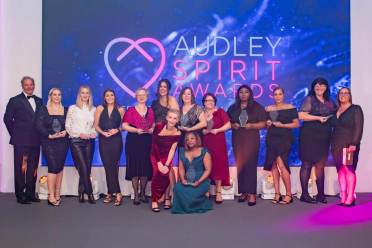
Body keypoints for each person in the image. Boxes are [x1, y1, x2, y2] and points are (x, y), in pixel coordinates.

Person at [3, 76, 43, 204]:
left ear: (34, 85)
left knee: (33, 168)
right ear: (22, 85)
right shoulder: (15, 100)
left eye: (31, 84)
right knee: (21, 168)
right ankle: (20, 195)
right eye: (26, 85)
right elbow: (7, 119)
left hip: (36, 140)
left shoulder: (39, 100)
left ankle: (31, 193)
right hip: (21, 141)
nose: (29, 87)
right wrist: (15, 134)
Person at [298, 77, 336, 204]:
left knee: (320, 165)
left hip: (324, 137)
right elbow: (301, 115)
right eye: (317, 86)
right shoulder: (309, 99)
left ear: (326, 87)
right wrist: (317, 118)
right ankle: (304, 194)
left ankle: (320, 194)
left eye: (322, 85)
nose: (319, 87)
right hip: (309, 135)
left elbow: (335, 116)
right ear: (313, 88)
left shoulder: (330, 101)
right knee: (307, 164)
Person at [227, 85, 266, 206]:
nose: (243, 94)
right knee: (241, 165)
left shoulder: (257, 107)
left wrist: (253, 126)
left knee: (250, 165)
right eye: (241, 92)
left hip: (251, 139)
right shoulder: (233, 107)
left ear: (250, 94)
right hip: (237, 138)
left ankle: (252, 194)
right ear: (238, 94)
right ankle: (243, 191)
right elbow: (228, 122)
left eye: (246, 92)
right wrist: (233, 126)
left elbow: (264, 123)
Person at [264, 87, 299, 205]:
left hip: (284, 139)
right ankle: (277, 193)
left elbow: (296, 124)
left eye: (280, 94)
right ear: (273, 96)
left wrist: (282, 125)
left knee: (282, 164)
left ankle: (288, 194)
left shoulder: (290, 108)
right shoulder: (269, 109)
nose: (277, 96)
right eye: (275, 94)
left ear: (283, 95)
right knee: (273, 164)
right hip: (271, 138)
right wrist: (268, 124)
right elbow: (266, 125)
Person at [35, 88, 69, 206]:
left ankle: (58, 193)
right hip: (48, 142)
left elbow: (70, 125)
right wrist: (49, 135)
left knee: (59, 168)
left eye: (59, 95)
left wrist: (66, 132)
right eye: (54, 95)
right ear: (50, 96)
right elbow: (38, 125)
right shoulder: (43, 109)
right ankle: (51, 195)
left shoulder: (66, 110)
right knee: (53, 167)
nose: (57, 97)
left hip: (63, 142)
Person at [331, 87, 363, 207]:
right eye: (341, 93)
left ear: (350, 95)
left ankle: (351, 196)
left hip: (348, 144)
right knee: (340, 170)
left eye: (346, 93)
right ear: (338, 96)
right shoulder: (336, 110)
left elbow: (359, 127)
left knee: (349, 169)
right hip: (336, 144)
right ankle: (343, 196)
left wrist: (354, 143)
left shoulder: (355, 109)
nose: (343, 95)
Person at [122, 88, 155, 205]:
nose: (141, 97)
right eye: (139, 95)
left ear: (147, 96)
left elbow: (153, 124)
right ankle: (136, 194)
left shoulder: (151, 110)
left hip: (147, 141)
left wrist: (152, 129)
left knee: (145, 168)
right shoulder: (130, 110)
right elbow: (124, 126)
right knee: (135, 168)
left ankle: (143, 194)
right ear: (136, 97)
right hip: (134, 141)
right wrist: (136, 130)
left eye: (143, 95)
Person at [65, 86, 97, 204]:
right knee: (82, 166)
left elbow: (95, 126)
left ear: (89, 95)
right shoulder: (73, 108)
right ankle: (90, 193)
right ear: (79, 94)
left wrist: (94, 133)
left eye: (87, 93)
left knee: (86, 167)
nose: (85, 95)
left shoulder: (93, 109)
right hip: (76, 140)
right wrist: (79, 134)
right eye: (82, 93)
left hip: (89, 141)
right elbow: (68, 126)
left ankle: (81, 191)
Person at [150, 79, 179, 205]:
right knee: (158, 168)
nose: (162, 89)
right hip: (158, 135)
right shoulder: (154, 103)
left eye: (165, 87)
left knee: (169, 166)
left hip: (170, 136)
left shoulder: (171, 100)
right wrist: (152, 127)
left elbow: (176, 115)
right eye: (161, 86)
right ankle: (161, 195)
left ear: (168, 89)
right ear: (158, 88)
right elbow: (152, 119)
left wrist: (170, 127)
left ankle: (170, 196)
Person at [94, 89, 125, 206]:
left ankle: (113, 193)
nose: (110, 97)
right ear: (104, 97)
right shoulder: (99, 108)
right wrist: (103, 133)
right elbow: (95, 125)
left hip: (116, 140)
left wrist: (116, 130)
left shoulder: (121, 109)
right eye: (107, 95)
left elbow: (123, 126)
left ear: (115, 96)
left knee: (113, 166)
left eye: (112, 95)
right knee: (108, 166)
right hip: (104, 139)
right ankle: (113, 192)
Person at [172, 132, 212, 214]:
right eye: (187, 139)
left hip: (201, 180)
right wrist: (183, 179)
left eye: (192, 138)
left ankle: (203, 199)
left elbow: (208, 170)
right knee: (177, 188)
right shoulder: (182, 151)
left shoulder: (204, 151)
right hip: (187, 179)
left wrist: (199, 181)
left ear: (197, 139)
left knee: (191, 195)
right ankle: (189, 203)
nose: (189, 141)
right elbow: (181, 168)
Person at [202, 93, 231, 204]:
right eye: (208, 100)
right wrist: (203, 131)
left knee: (218, 165)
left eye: (212, 100)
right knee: (205, 165)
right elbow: (198, 127)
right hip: (205, 142)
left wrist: (217, 130)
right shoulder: (201, 113)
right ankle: (207, 191)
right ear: (204, 102)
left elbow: (228, 125)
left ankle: (218, 192)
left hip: (218, 142)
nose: (210, 102)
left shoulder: (220, 112)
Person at [150, 109, 181, 212]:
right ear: (167, 117)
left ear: (178, 120)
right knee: (156, 174)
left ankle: (166, 197)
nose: (172, 120)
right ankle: (154, 200)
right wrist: (159, 163)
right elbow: (154, 145)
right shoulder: (158, 126)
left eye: (175, 118)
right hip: (155, 155)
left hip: (167, 157)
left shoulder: (177, 132)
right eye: (170, 117)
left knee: (166, 175)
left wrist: (167, 165)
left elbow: (172, 149)